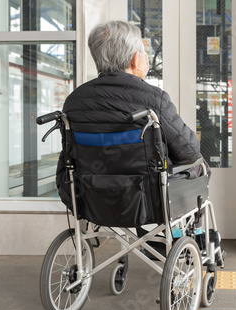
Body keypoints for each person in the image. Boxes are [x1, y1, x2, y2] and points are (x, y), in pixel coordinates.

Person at [56, 20, 209, 213]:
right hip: (146, 200)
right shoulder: (154, 98)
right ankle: (195, 234)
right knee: (201, 164)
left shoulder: (73, 101)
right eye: (145, 54)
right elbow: (189, 151)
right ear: (136, 59)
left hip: (91, 198)